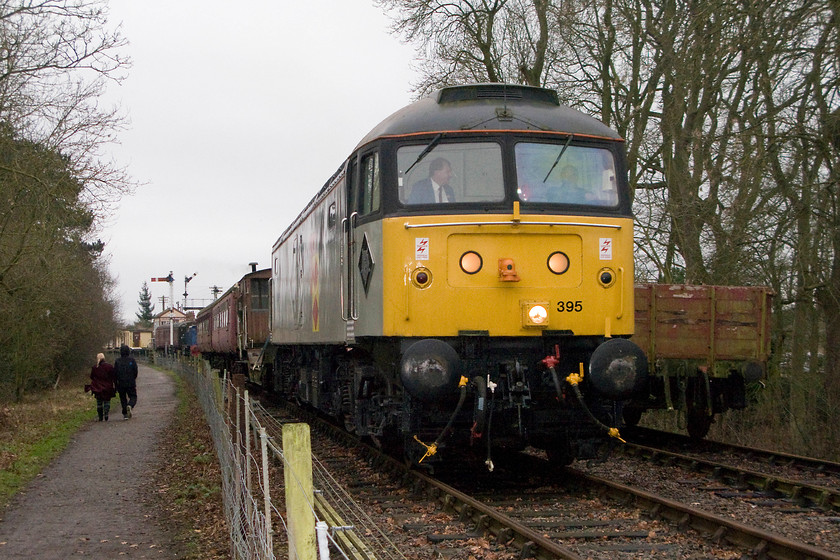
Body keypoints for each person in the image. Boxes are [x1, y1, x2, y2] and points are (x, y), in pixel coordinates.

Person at [114, 344, 138, 420]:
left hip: (121, 383)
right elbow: (135, 371)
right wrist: (133, 378)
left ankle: (125, 414)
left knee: (123, 398)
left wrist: (116, 384)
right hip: (130, 382)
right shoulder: (132, 360)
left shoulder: (117, 361)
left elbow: (115, 373)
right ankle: (130, 405)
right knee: (133, 396)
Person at [89, 353, 116, 421]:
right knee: (107, 401)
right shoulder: (109, 366)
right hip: (107, 387)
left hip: (98, 387)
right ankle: (106, 413)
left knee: (99, 402)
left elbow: (92, 377)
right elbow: (113, 376)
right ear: (104, 358)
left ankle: (100, 416)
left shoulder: (95, 367)